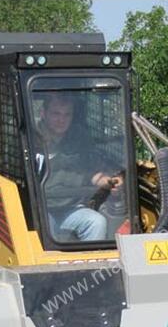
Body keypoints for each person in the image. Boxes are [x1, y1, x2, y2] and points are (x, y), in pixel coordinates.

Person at [34, 93, 123, 242]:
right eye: (56, 114)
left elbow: (93, 174)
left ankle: (92, 264)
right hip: (41, 209)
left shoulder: (80, 138)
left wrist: (111, 182)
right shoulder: (32, 139)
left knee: (96, 222)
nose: (61, 120)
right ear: (43, 113)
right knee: (44, 228)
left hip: (70, 208)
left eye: (67, 115)